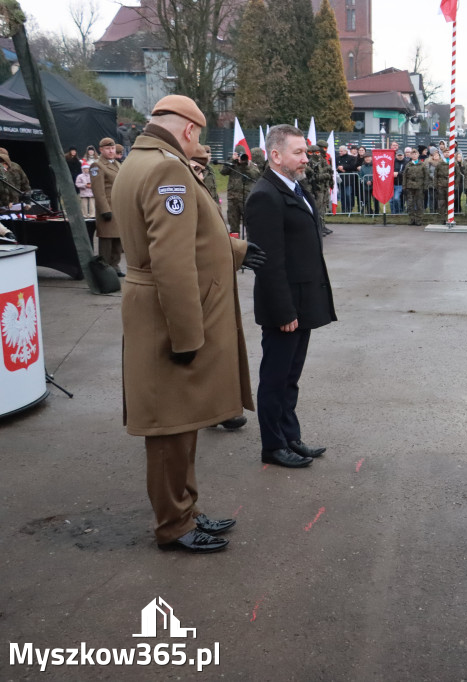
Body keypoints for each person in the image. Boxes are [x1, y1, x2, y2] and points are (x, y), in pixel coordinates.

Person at [113, 94, 266, 553]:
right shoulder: (168, 170)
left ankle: (186, 508)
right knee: (169, 429)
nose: (198, 141)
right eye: (197, 133)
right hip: (167, 315)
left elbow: (191, 234)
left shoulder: (139, 161)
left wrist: (235, 251)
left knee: (182, 420)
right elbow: (172, 262)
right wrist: (186, 336)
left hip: (151, 307)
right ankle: (174, 524)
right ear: (187, 128)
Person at [244, 124, 337, 469]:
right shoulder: (265, 196)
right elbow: (269, 263)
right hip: (283, 307)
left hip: (303, 300)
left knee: (290, 377)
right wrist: (284, 312)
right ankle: (273, 445)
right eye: (298, 153)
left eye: (306, 152)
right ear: (276, 155)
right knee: (275, 378)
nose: (305, 159)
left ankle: (290, 436)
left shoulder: (296, 188)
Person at [89, 137, 123, 275]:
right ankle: (105, 270)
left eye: (113, 148)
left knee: (118, 239)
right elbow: (98, 191)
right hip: (108, 208)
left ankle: (115, 266)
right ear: (101, 150)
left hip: (119, 208)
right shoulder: (97, 166)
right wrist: (104, 210)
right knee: (107, 240)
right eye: (108, 148)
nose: (111, 151)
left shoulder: (117, 164)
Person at [220, 145, 260, 235]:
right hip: (232, 199)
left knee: (249, 225)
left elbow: (256, 175)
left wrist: (246, 165)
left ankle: (250, 243)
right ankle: (235, 243)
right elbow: (223, 171)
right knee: (233, 226)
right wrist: (232, 160)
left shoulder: (250, 164)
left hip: (246, 199)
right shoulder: (231, 164)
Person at [402, 148, 428, 225]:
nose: (414, 155)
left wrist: (425, 187)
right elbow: (404, 176)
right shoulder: (408, 165)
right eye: (412, 154)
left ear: (418, 155)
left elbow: (426, 176)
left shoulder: (422, 164)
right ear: (410, 155)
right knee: (410, 204)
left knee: (419, 204)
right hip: (410, 187)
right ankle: (412, 219)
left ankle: (419, 220)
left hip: (419, 187)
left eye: (415, 154)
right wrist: (404, 187)